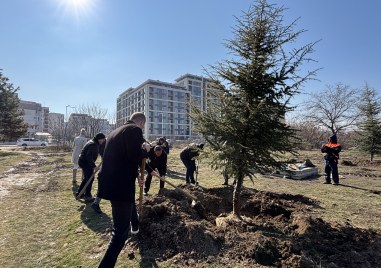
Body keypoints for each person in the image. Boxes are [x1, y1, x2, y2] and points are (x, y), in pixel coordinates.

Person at [97, 112, 147, 268]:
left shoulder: (115, 131)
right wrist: (146, 149)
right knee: (120, 233)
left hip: (112, 183)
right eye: (143, 126)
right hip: (120, 186)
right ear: (141, 123)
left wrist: (137, 174)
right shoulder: (134, 130)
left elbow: (124, 157)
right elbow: (134, 155)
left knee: (128, 207)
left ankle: (135, 225)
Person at [75, 133, 106, 202]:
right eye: (103, 139)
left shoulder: (94, 142)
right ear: (99, 139)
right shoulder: (93, 145)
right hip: (85, 162)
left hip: (84, 161)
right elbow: (88, 157)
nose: (103, 141)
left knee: (87, 178)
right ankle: (87, 196)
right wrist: (94, 166)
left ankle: (79, 193)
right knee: (89, 178)